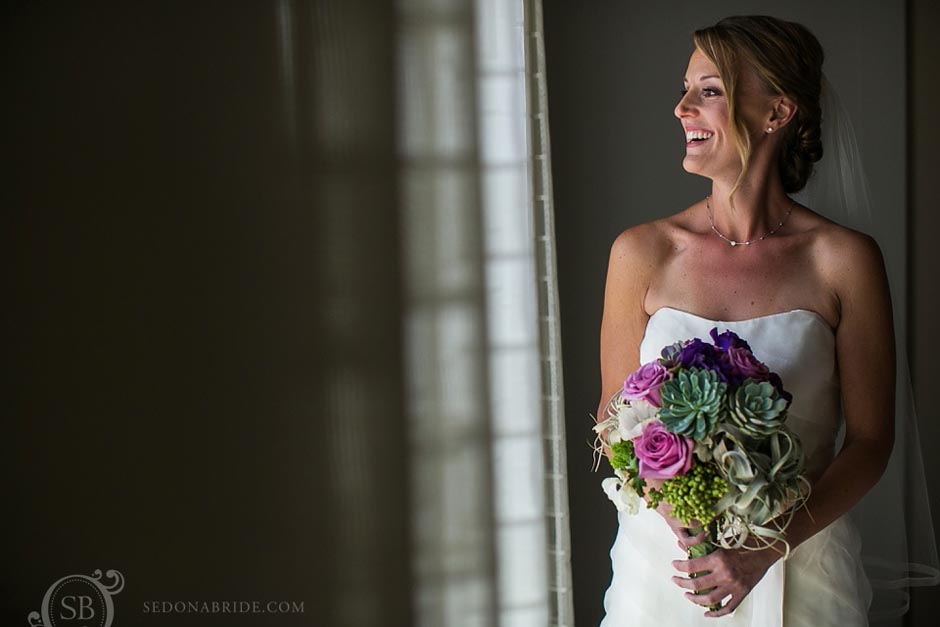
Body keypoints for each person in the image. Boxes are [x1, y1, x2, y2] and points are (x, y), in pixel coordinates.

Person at [595, 15, 904, 625]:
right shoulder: (641, 252)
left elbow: (871, 442)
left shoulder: (843, 259)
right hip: (666, 569)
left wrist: (767, 547)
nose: (682, 108)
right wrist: (682, 515)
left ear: (777, 112)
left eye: (708, 90)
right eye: (686, 89)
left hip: (803, 566)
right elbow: (612, 416)